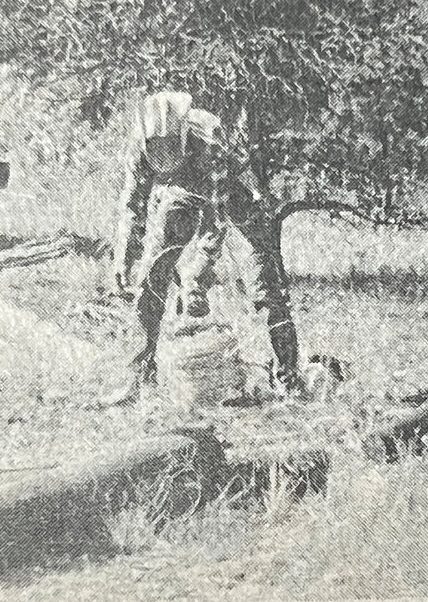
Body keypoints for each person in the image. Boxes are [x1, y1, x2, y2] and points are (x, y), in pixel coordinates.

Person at [104, 90, 300, 405]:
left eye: (171, 145)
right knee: (151, 276)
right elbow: (131, 207)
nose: (163, 154)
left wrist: (197, 279)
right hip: (180, 191)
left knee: (263, 287)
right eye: (157, 148)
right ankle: (138, 379)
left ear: (182, 136)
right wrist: (122, 259)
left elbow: (216, 224)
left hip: (234, 197)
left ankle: (289, 379)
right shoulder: (138, 148)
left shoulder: (210, 143)